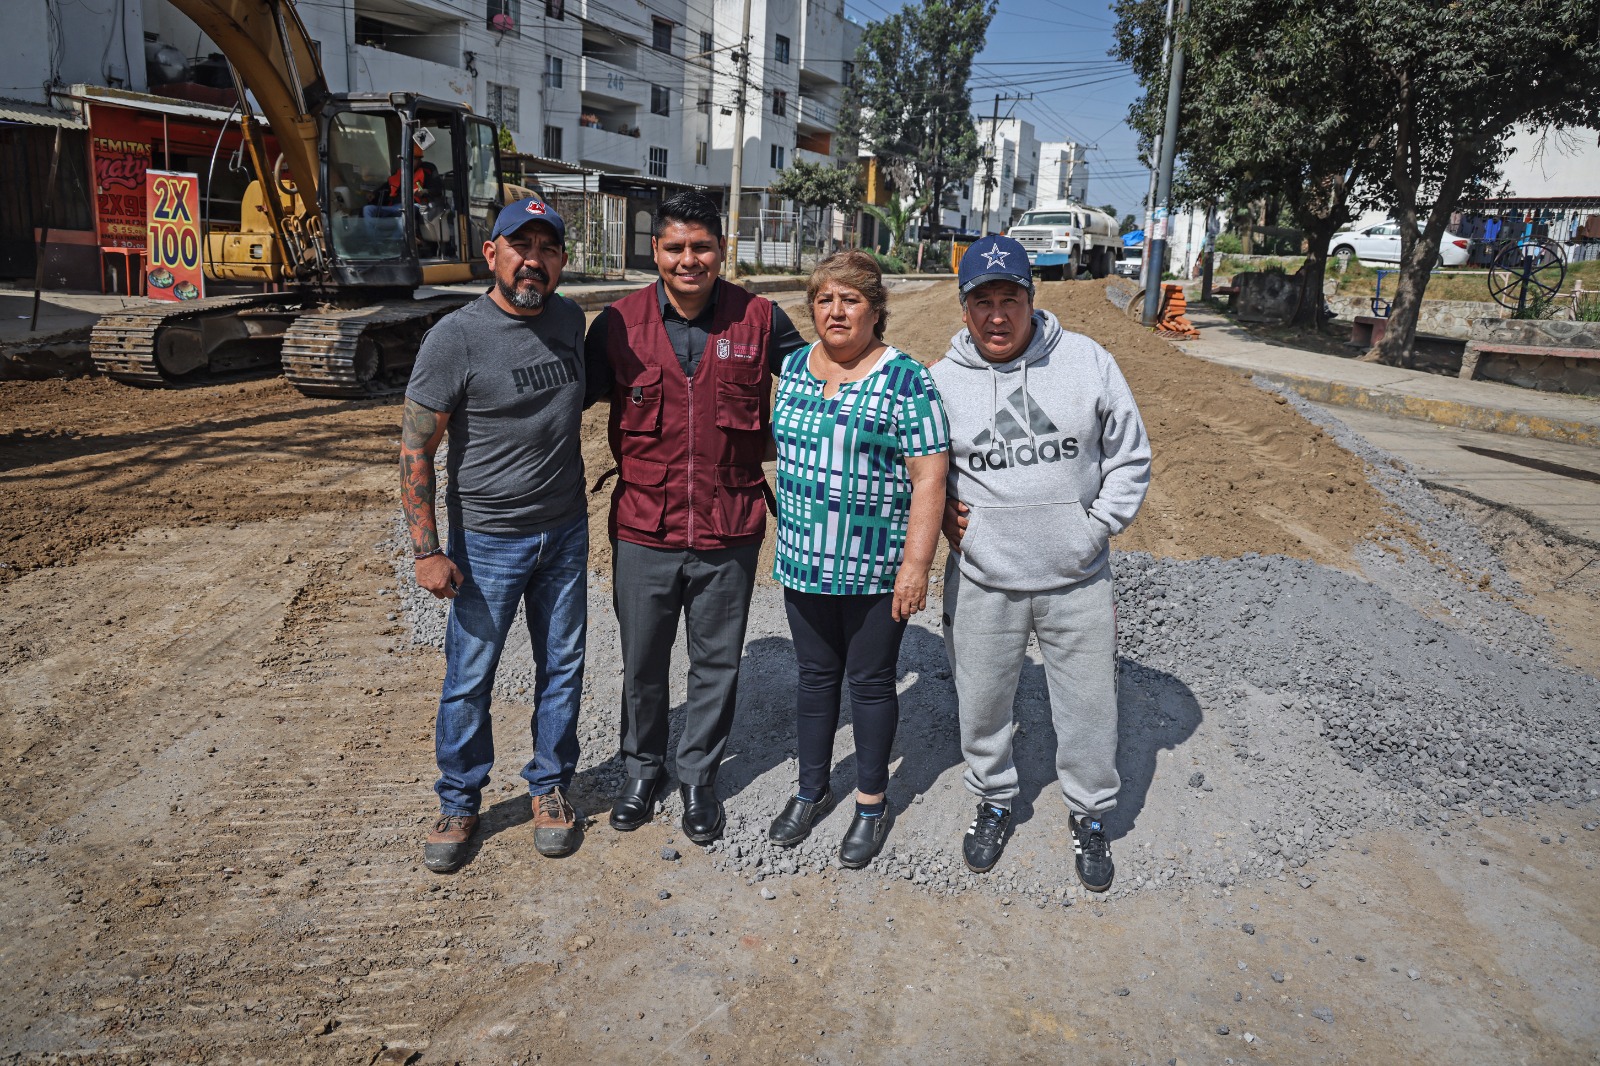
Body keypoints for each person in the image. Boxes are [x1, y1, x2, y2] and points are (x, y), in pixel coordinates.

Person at [584, 191, 808, 845]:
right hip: (643, 528)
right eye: (676, 247)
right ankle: (640, 772)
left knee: (717, 664)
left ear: (722, 251)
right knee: (643, 662)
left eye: (702, 247)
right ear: (655, 251)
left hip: (729, 525)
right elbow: (563, 399)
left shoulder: (761, 319)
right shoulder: (618, 324)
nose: (689, 260)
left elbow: (818, 386)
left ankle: (698, 777)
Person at [931, 234, 1151, 890]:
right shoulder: (941, 382)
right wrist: (945, 514)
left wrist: (1095, 531)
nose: (997, 314)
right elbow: (918, 471)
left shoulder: (1086, 362)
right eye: (982, 301)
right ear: (964, 308)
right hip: (985, 579)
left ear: (1032, 299)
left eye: (1010, 298)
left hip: (1076, 579)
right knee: (983, 699)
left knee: (1088, 704)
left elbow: (1130, 455)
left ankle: (1089, 812)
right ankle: (995, 798)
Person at [400, 197, 594, 874]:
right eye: (520, 246)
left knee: (563, 667)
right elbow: (417, 450)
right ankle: (459, 799)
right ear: (493, 254)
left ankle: (549, 787)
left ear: (562, 261)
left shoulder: (570, 320)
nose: (532, 260)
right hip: (487, 540)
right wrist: (427, 551)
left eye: (547, 248)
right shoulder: (455, 338)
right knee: (470, 676)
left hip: (566, 530)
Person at [764, 251, 948, 868]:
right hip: (804, 560)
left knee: (870, 684)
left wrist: (916, 565)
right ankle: (810, 790)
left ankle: (871, 804)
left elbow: (929, 478)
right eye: (824, 299)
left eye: (850, 300)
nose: (835, 311)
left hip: (875, 567)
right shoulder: (792, 367)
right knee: (814, 680)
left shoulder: (907, 380)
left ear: (876, 310)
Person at [365, 141, 443, 220]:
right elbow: (387, 186)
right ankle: (372, 232)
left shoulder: (428, 169)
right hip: (394, 207)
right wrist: (374, 194)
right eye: (406, 159)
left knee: (404, 213)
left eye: (413, 159)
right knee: (368, 210)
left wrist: (423, 191)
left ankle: (401, 232)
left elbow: (437, 190)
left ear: (419, 159)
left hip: (414, 206)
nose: (408, 162)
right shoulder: (399, 173)